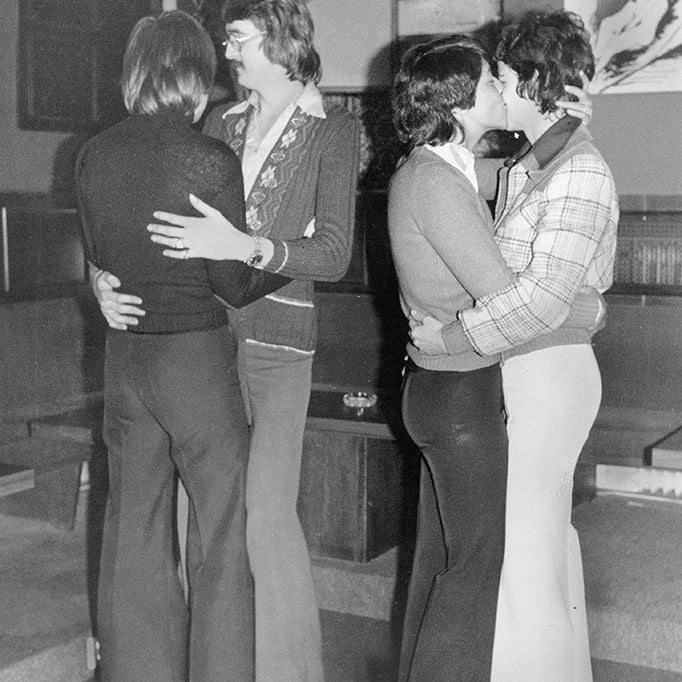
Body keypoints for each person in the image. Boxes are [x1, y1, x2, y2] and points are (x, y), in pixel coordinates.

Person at [90, 1, 360, 680]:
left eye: (238, 40)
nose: (228, 55)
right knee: (203, 525)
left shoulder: (335, 133)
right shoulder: (219, 124)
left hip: (276, 345)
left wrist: (250, 246)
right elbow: (149, 215)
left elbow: (332, 253)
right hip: (205, 346)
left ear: (279, 40)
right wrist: (99, 276)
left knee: (260, 521)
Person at [75, 11, 290, 681]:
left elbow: (104, 257)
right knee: (220, 538)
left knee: (131, 531)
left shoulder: (93, 154)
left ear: (136, 72)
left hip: (127, 359)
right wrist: (291, 255)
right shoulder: (210, 159)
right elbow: (231, 283)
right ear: (195, 78)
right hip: (194, 364)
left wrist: (96, 283)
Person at [409, 11, 618, 681]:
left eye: (499, 75)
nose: (492, 87)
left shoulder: (579, 168)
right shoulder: (533, 165)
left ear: (530, 81)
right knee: (536, 557)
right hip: (530, 369)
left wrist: (450, 335)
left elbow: (540, 301)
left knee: (529, 563)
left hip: (549, 375)